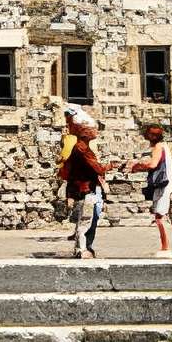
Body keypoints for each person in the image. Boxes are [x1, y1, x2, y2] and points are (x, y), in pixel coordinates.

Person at [57, 111, 109, 259]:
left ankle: (85, 247)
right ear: (85, 132)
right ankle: (82, 248)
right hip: (86, 189)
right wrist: (111, 165)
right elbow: (97, 168)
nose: (95, 131)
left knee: (91, 219)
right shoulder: (82, 149)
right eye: (91, 129)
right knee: (86, 220)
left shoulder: (83, 148)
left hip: (89, 188)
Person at [133, 122, 172, 256]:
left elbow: (153, 164)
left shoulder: (158, 147)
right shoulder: (164, 146)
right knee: (159, 216)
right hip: (165, 184)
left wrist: (138, 166)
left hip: (163, 185)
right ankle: (164, 247)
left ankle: (166, 248)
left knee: (159, 217)